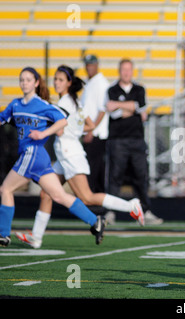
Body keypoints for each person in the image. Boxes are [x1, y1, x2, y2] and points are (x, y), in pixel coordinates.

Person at [15, 65, 144, 249]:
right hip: (66, 154)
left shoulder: (65, 103)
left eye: (60, 80)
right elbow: (89, 125)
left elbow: (60, 131)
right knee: (46, 193)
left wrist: (52, 128)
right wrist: (73, 130)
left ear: (68, 83)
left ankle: (131, 206)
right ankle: (36, 237)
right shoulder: (74, 101)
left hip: (70, 155)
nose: (57, 83)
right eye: (55, 79)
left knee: (87, 197)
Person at [0, 67, 106, 247]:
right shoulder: (15, 105)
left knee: (5, 189)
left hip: (32, 153)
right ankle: (95, 221)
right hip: (38, 159)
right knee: (58, 196)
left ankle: (3, 234)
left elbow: (62, 121)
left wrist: (43, 134)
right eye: (22, 80)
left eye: (28, 80)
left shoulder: (42, 105)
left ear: (36, 83)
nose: (24, 83)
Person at [105, 59, 162, 225]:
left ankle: (145, 211)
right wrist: (132, 108)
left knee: (140, 176)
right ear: (119, 71)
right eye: (123, 69)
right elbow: (115, 113)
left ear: (132, 71)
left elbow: (140, 108)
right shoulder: (112, 89)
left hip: (137, 140)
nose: (126, 73)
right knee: (115, 176)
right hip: (117, 141)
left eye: (129, 70)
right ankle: (110, 211)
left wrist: (120, 106)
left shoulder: (139, 89)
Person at [81, 54, 109, 193]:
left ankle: (93, 200)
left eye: (92, 64)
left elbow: (102, 110)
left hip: (97, 134)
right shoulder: (90, 82)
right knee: (94, 169)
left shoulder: (101, 83)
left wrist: (91, 130)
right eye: (87, 64)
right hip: (90, 131)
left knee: (93, 169)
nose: (89, 67)